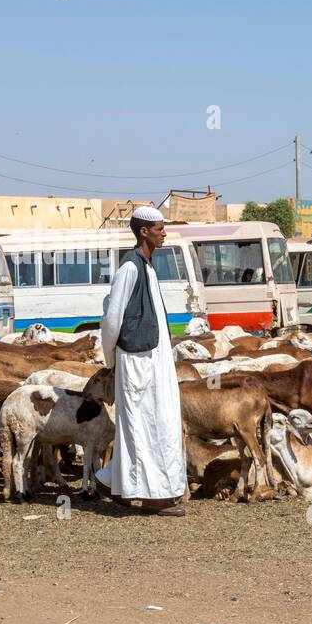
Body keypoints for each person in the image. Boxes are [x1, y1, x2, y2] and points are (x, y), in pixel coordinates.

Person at [94, 206, 186, 516]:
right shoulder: (130, 269)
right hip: (137, 363)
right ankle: (152, 497)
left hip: (153, 361)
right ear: (144, 231)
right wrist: (111, 360)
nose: (164, 232)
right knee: (144, 426)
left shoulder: (147, 267)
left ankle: (111, 482)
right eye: (159, 228)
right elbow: (111, 319)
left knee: (155, 422)